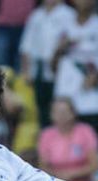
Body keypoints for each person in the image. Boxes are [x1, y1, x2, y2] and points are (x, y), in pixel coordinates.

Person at [52, 0, 98, 143]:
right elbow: (53, 65)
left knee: (94, 140)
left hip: (92, 92)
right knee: (63, 139)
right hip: (67, 88)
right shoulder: (63, 27)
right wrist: (60, 49)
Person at [19, 0, 77, 128]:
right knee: (42, 108)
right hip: (39, 69)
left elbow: (72, 42)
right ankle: (46, 138)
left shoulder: (69, 14)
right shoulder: (36, 15)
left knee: (60, 105)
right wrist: (26, 71)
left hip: (61, 69)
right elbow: (26, 45)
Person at [37, 97, 98, 181]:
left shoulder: (86, 131)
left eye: (64, 112)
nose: (61, 116)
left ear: (73, 113)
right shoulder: (46, 135)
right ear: (51, 115)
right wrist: (60, 176)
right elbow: (43, 166)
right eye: (57, 112)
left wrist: (72, 174)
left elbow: (95, 165)